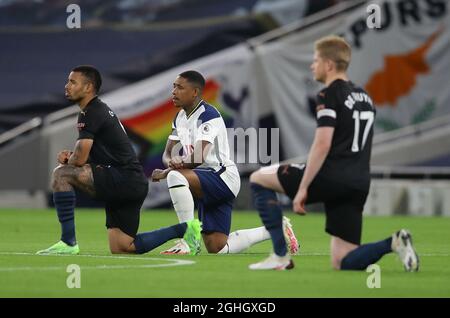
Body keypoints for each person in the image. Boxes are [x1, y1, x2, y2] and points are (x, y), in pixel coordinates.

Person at [248, 35, 419, 271]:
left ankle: (280, 256)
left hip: (331, 176)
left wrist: (304, 187)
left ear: (329, 64)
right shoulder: (365, 97)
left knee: (258, 178)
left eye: (316, 60)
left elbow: (322, 144)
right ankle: (394, 242)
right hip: (358, 182)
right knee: (343, 261)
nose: (312, 65)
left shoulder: (328, 94)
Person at [36, 65, 202, 256]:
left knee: (61, 174)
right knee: (122, 247)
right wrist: (73, 157)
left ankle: (68, 242)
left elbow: (80, 158)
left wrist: (70, 159)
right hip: (131, 181)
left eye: (73, 82)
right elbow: (95, 154)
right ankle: (186, 229)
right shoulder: (98, 110)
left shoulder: (91, 112)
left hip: (122, 179)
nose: (67, 86)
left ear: (88, 87)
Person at [151, 70, 299, 255]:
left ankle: (188, 240)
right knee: (217, 248)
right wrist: (170, 162)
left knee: (175, 176)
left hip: (222, 177)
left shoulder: (208, 115)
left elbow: (198, 158)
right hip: (203, 180)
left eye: (180, 87)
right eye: (173, 87)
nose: (174, 91)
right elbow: (167, 153)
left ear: (195, 92)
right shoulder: (179, 117)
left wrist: (168, 171)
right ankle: (277, 227)